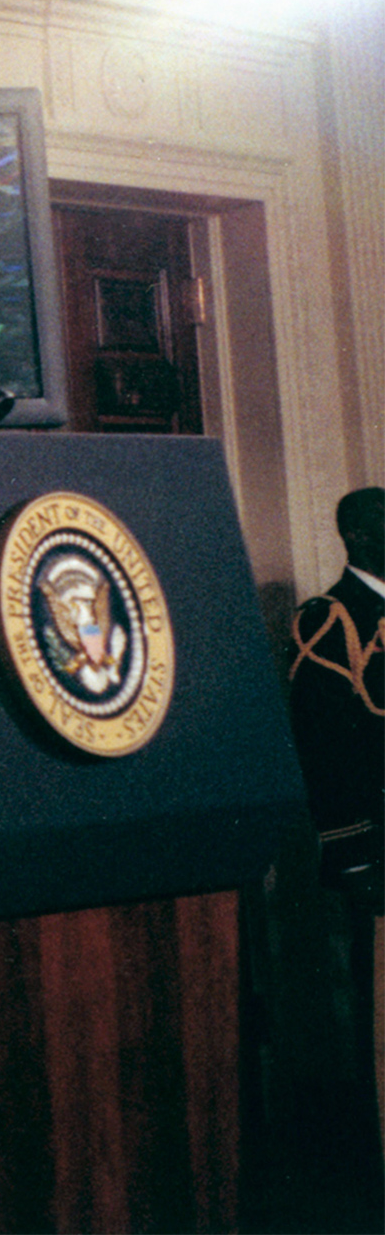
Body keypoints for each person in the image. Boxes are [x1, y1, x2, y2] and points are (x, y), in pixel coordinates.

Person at [288, 485, 384, 1150]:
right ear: (356, 538)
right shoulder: (328, 619)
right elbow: (322, 751)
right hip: (377, 847)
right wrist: (350, 853)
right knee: (375, 1003)